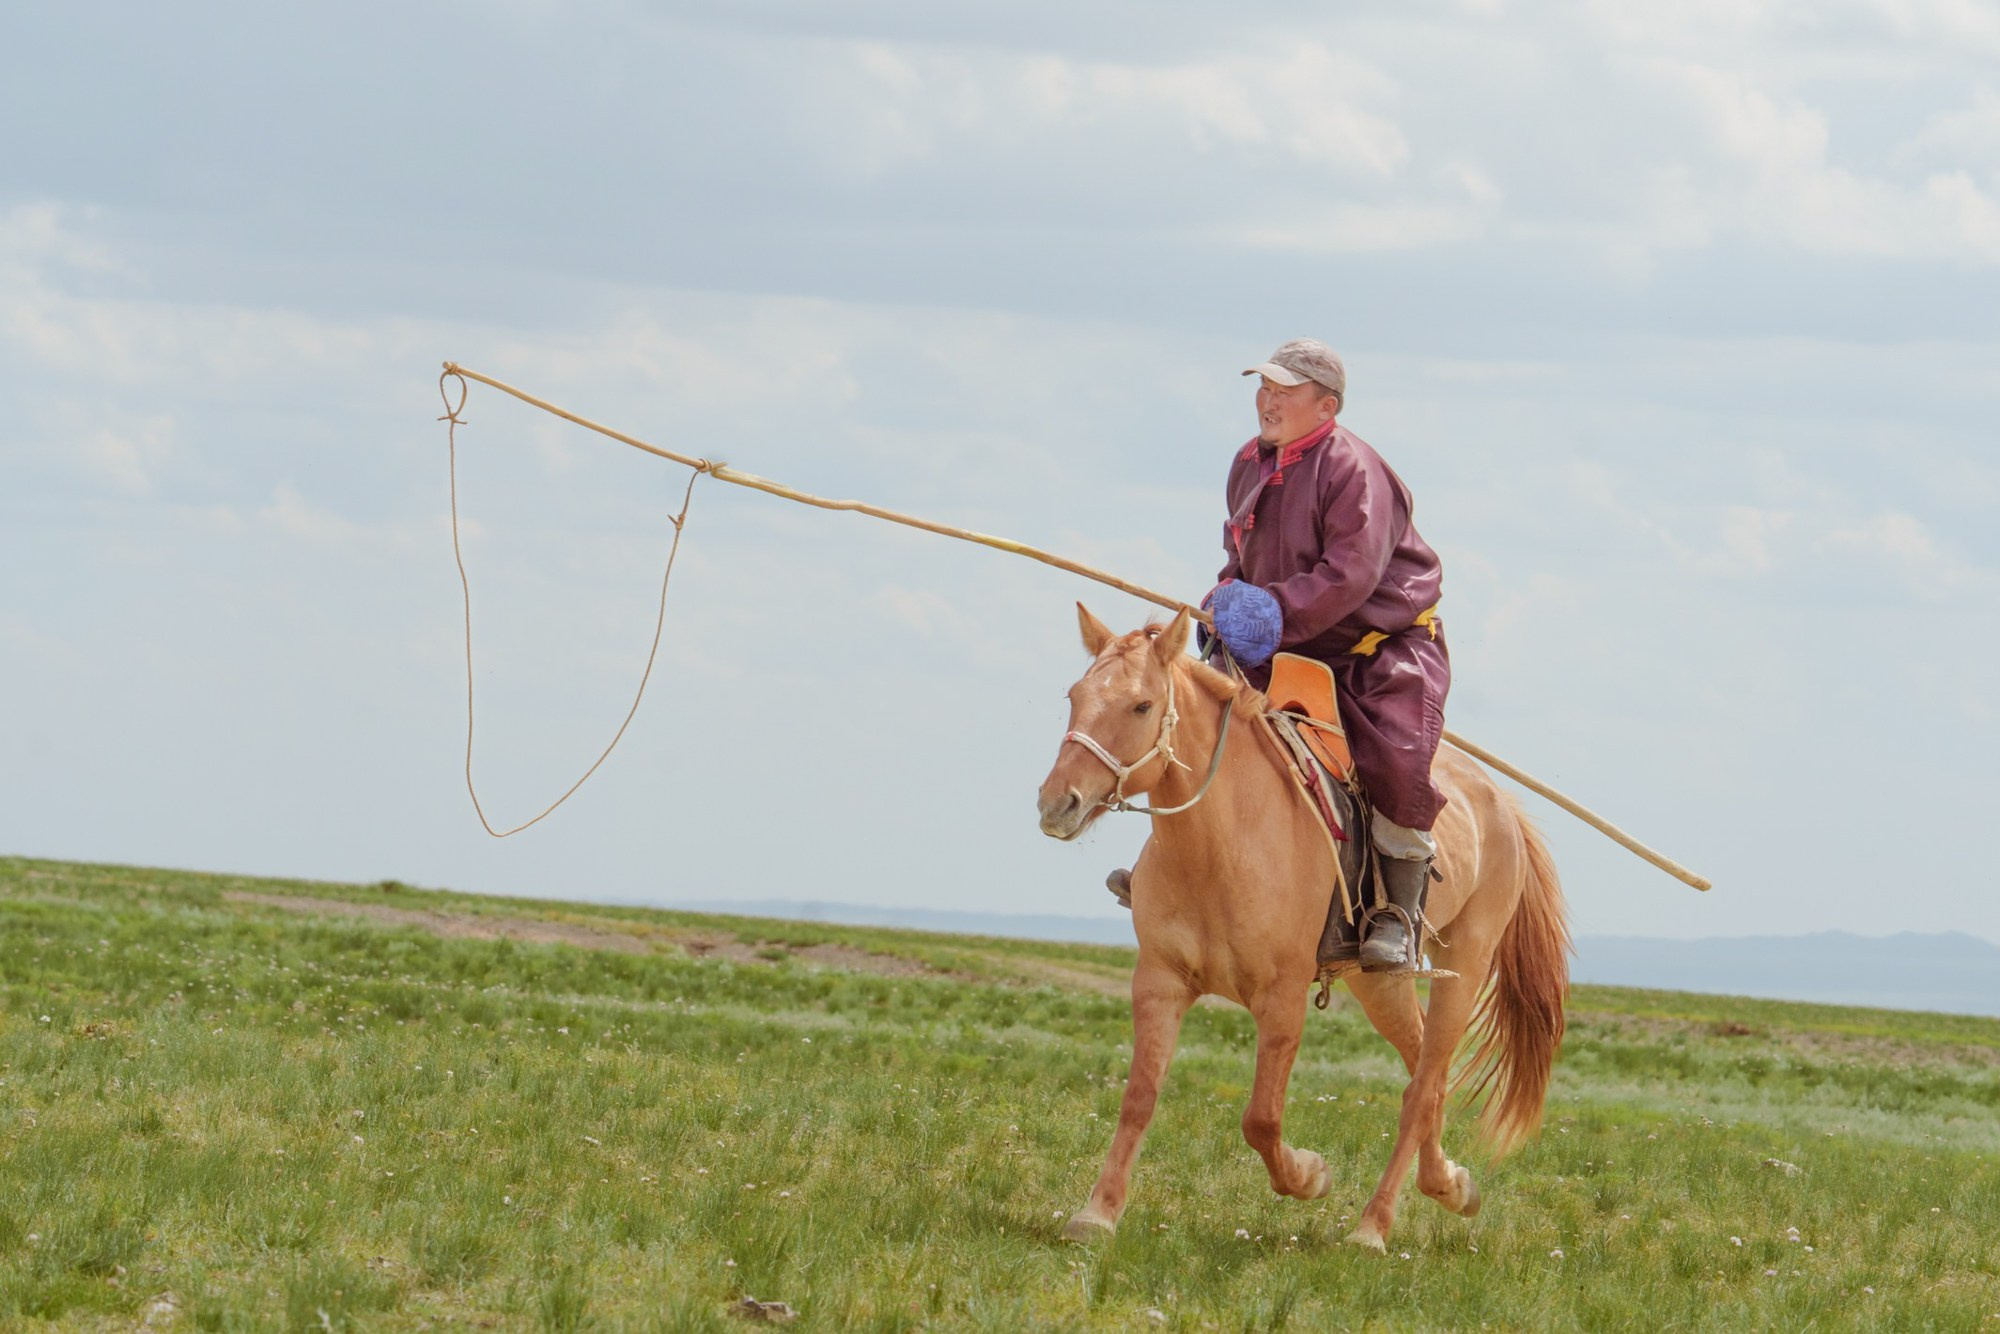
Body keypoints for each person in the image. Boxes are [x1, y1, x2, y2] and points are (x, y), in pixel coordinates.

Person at [1160, 339, 1450, 973]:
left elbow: (1350, 576)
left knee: (1396, 762)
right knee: (1197, 726)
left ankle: (1398, 917)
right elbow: (1241, 553)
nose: (1267, 401)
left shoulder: (1354, 470)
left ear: (1326, 406)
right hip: (1285, 639)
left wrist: (1272, 613)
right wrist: (1228, 600)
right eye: (1263, 388)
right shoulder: (1247, 463)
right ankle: (1171, 874)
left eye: (1284, 393)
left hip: (1377, 647)